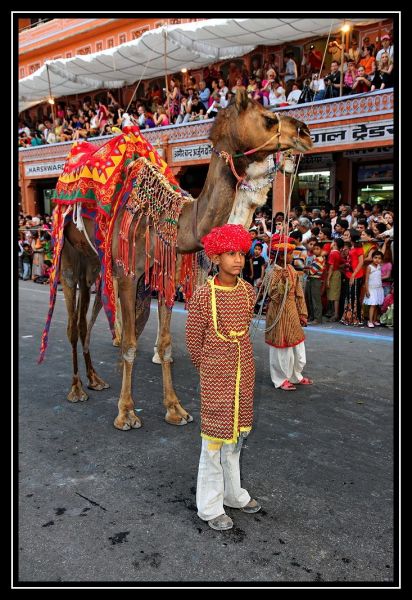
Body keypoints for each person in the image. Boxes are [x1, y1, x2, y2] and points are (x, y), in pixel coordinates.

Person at [185, 224, 261, 532]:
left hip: (244, 373)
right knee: (213, 443)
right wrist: (209, 369)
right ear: (216, 257)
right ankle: (209, 506)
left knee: (236, 440)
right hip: (215, 376)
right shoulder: (204, 295)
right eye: (230, 253)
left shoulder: (248, 292)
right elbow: (193, 340)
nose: (238, 260)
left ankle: (234, 494)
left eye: (241, 253)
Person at [265, 234, 312, 391]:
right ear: (280, 256)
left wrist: (302, 313)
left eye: (291, 253)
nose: (292, 256)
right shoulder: (273, 272)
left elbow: (299, 293)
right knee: (281, 347)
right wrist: (282, 281)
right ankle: (280, 379)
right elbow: (274, 295)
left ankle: (295, 376)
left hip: (292, 312)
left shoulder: (292, 270)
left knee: (297, 346)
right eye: (289, 254)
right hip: (278, 313)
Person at [363, 250, 384, 328]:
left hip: (378, 288)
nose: (377, 260)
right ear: (372, 258)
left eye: (379, 258)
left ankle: (374, 320)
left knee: (376, 305)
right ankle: (370, 321)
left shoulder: (379, 266)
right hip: (371, 289)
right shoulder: (369, 267)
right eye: (375, 258)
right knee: (372, 305)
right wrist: (367, 290)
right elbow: (366, 280)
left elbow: (383, 252)